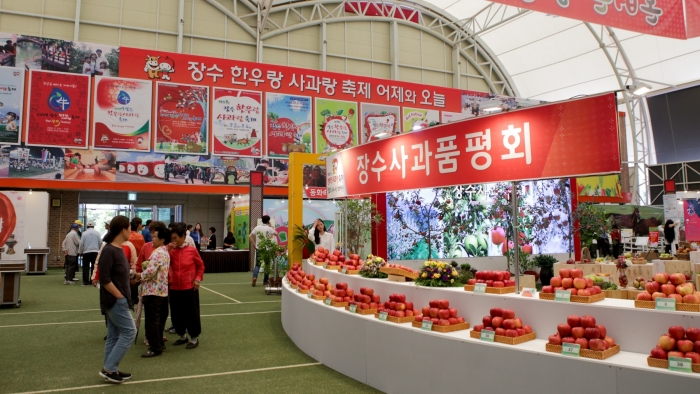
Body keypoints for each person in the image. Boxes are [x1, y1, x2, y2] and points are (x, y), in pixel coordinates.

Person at [98, 215, 135, 384]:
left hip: (119, 299)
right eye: (129, 228)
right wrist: (119, 296)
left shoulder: (119, 249)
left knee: (113, 335)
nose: (131, 231)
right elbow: (104, 279)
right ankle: (109, 368)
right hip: (114, 301)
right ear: (123, 230)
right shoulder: (109, 250)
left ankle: (110, 369)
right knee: (130, 332)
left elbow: (120, 274)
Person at [168, 222, 204, 350]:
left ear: (183, 236)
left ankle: (194, 338)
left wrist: (198, 279)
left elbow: (201, 266)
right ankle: (182, 336)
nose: (173, 241)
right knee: (176, 313)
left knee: (191, 313)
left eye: (175, 238)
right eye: (171, 238)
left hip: (189, 287)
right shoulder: (170, 251)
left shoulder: (192, 250)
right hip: (174, 287)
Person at [135, 226, 170, 358]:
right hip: (161, 290)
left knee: (152, 321)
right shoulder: (165, 251)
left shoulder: (157, 253)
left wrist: (139, 275)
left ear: (162, 239)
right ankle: (159, 343)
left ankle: (155, 347)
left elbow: (150, 272)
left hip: (152, 291)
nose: (152, 239)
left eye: (155, 237)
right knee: (159, 320)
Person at [249, 215, 277, 287]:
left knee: (257, 264)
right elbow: (276, 234)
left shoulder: (257, 227)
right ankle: (265, 281)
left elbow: (250, 236)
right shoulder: (269, 228)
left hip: (259, 248)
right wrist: (270, 225)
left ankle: (255, 277)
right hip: (267, 249)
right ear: (268, 221)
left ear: (262, 220)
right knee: (267, 265)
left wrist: (254, 244)